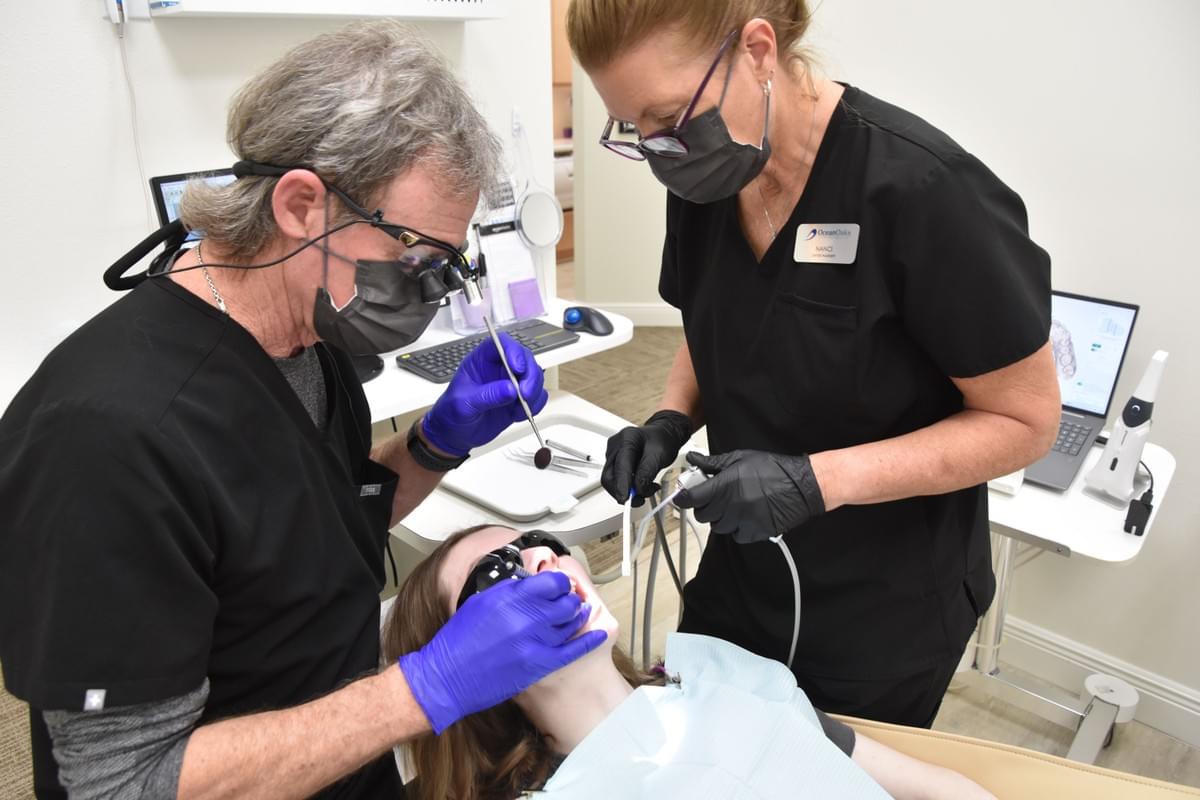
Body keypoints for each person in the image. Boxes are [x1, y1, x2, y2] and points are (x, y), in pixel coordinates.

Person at [0, 21, 605, 799]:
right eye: (413, 258)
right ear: (299, 205)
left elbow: (304, 533)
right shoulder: (107, 440)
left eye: (446, 266)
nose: (427, 292)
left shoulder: (306, 337)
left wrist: (431, 446)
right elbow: (121, 784)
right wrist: (425, 688)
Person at [568, 0, 1061, 727]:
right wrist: (671, 419)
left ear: (759, 51)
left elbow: (1025, 420)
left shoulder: (925, 192)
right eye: (635, 129)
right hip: (743, 574)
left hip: (883, 610)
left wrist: (817, 481)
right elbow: (714, 328)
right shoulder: (706, 181)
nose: (659, 150)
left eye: (670, 119)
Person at [383, 524, 998, 799]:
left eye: (536, 543)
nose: (541, 563)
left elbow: (941, 792)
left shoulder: (724, 678)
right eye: (497, 575)